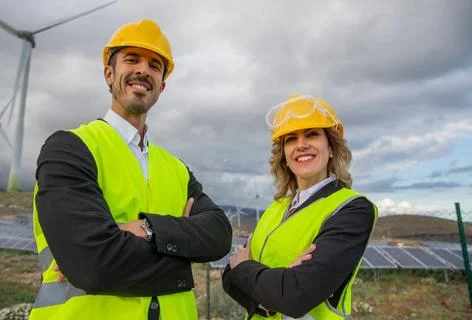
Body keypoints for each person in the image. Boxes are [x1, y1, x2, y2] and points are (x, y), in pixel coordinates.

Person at [29, 19, 232, 320]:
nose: (143, 70)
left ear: (162, 85)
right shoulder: (70, 149)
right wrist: (183, 252)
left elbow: (219, 235)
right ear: (109, 74)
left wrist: (147, 229)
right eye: (132, 59)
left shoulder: (177, 169)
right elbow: (93, 264)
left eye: (154, 65)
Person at [222, 94, 377, 319]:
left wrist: (245, 268)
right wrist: (276, 290)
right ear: (284, 155)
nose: (301, 145)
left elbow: (295, 296)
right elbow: (229, 278)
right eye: (291, 139)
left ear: (332, 148)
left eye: (312, 134)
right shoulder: (276, 208)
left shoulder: (352, 210)